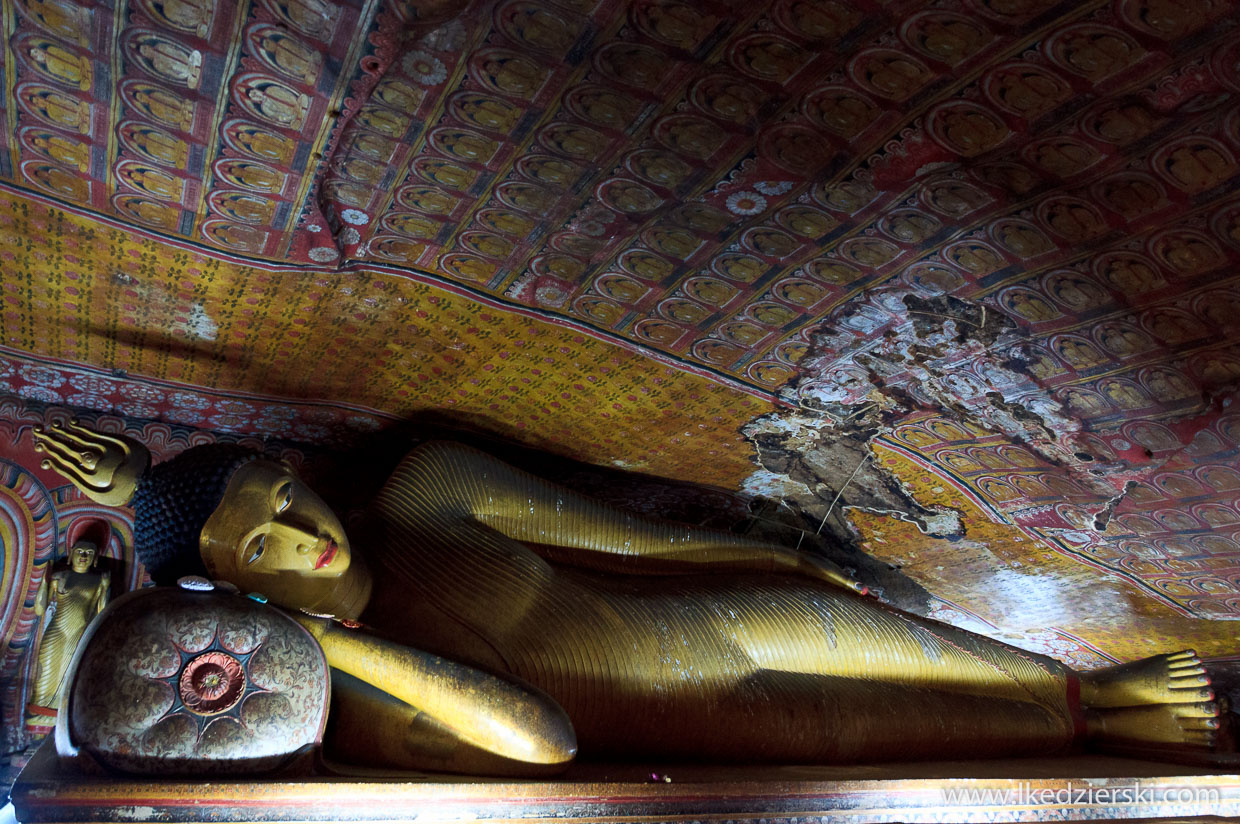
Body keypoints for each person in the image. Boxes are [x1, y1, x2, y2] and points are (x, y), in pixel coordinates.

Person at [33, 420, 1224, 773]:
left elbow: (620, 533)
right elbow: (541, 738)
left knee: (922, 648)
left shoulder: (422, 488)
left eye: (285, 495)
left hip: (727, 617)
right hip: (706, 724)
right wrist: (315, 641)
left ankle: (1091, 690)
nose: (304, 534)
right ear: (235, 591)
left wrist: (790, 561)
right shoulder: (364, 707)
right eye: (267, 549)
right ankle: (1095, 721)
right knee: (922, 734)